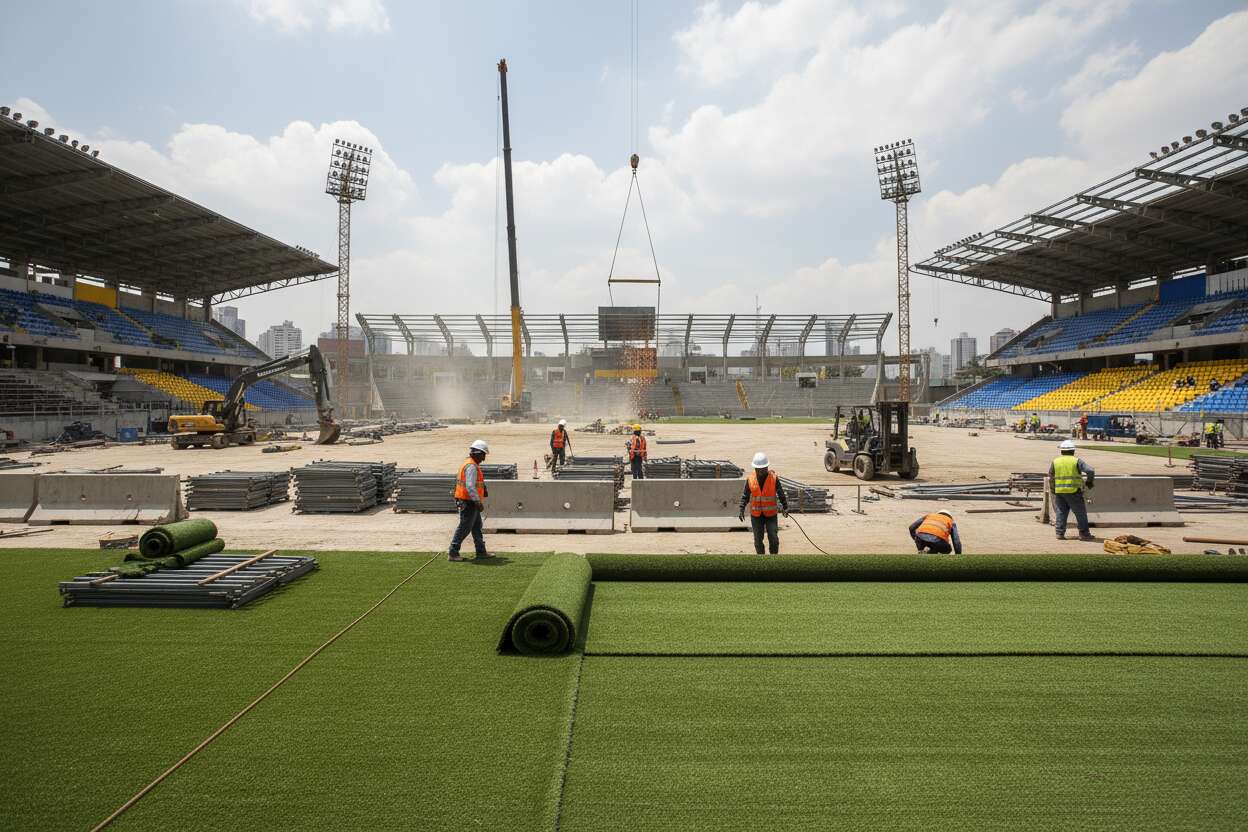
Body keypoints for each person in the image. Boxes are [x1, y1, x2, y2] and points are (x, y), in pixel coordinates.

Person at [448, 439, 492, 562]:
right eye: (483, 455)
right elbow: (470, 486)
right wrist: (478, 502)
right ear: (477, 453)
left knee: (477, 526)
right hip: (468, 502)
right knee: (465, 527)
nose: (484, 458)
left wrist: (483, 489)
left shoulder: (469, 463)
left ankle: (481, 551)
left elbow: (474, 484)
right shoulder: (471, 466)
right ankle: (453, 551)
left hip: (469, 500)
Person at [738, 452, 789, 555]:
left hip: (771, 515)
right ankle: (761, 560)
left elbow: (781, 493)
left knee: (773, 538)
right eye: (759, 469)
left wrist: (785, 507)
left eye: (764, 469)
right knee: (758, 540)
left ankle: (773, 560)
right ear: (755, 468)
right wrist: (741, 509)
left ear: (767, 467)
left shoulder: (774, 478)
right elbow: (745, 496)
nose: (761, 471)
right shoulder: (750, 479)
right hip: (756, 516)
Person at [1050, 439, 1096, 542]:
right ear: (1073, 451)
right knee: (1080, 513)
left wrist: (1053, 490)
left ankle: (1059, 533)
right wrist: (1089, 481)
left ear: (1061, 451)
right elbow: (1090, 470)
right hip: (1073, 491)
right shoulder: (1076, 461)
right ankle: (1084, 534)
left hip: (1059, 491)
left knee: (1061, 512)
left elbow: (1051, 477)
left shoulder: (1055, 461)